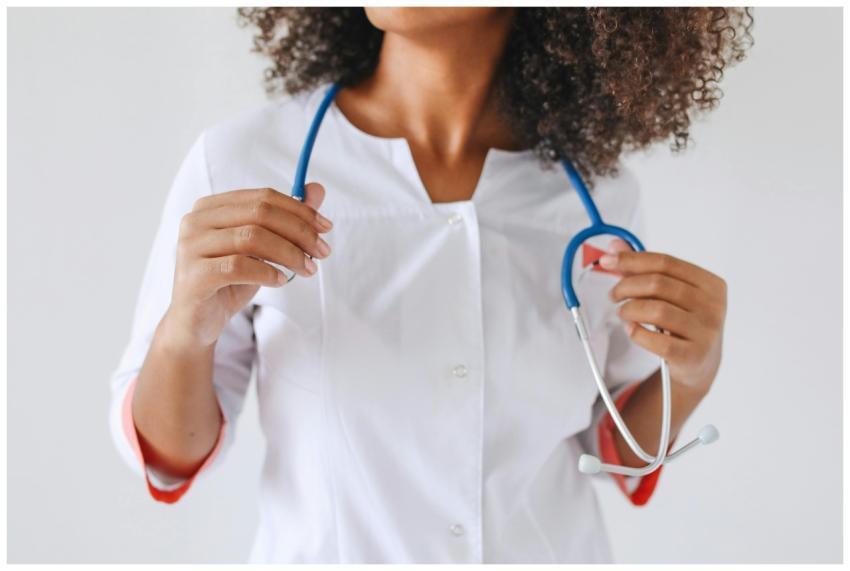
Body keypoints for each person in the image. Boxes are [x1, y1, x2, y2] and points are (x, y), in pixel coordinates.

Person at [109, 7, 752, 563]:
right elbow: (168, 455)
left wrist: (691, 373)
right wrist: (183, 330)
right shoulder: (244, 164)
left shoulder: (598, 200)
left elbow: (615, 449)